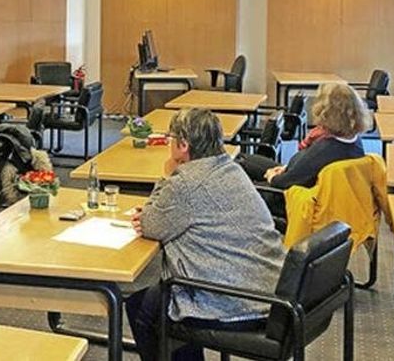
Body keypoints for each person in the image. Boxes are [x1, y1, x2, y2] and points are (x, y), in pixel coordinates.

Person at [127, 109, 285, 361]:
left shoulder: (186, 182)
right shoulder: (231, 169)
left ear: (183, 145)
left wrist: (166, 175)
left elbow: (151, 224)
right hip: (270, 287)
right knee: (158, 297)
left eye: (171, 138)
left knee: (143, 308)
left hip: (237, 301)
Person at [238, 82, 371, 189]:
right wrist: (285, 169)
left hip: (291, 198)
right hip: (297, 176)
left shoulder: (324, 150)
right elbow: (305, 169)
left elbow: (284, 183)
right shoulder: (354, 142)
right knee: (242, 159)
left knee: (239, 167)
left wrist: (272, 176)